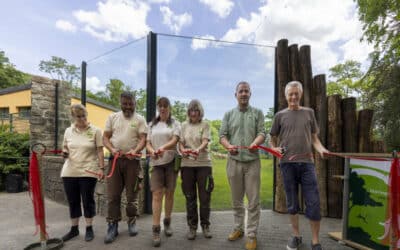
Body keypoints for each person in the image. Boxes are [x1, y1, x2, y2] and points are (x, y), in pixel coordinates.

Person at [269, 81, 329, 250]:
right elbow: (272, 137)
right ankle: (296, 236)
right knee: (292, 203)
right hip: (287, 164)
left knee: (314, 202)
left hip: (307, 165)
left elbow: (315, 139)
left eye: (297, 93)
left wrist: (322, 150)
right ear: (286, 95)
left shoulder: (309, 113)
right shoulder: (279, 116)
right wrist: (274, 148)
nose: (294, 97)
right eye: (291, 94)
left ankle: (316, 241)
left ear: (300, 94)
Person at [219, 81, 266, 250]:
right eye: (241, 91)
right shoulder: (228, 114)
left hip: (253, 162)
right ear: (236, 94)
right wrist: (228, 146)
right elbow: (222, 136)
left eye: (246, 91)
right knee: (236, 200)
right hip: (233, 163)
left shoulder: (258, 113)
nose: (244, 94)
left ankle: (251, 235)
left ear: (250, 94)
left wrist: (255, 142)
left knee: (253, 201)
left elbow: (262, 132)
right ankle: (238, 228)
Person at [103, 91, 148, 244]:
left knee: (132, 196)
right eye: (125, 104)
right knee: (113, 196)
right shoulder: (112, 117)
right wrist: (111, 149)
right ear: (120, 103)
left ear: (135, 103)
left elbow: (143, 139)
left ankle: (132, 221)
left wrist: (135, 151)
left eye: (130, 104)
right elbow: (105, 138)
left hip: (132, 162)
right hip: (115, 160)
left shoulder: (140, 119)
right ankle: (112, 225)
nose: (128, 106)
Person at [60, 104, 105, 242]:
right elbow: (65, 147)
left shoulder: (96, 130)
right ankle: (74, 229)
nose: (82, 119)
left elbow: (99, 150)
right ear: (73, 117)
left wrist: (102, 168)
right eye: (78, 117)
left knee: (87, 200)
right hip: (70, 171)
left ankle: (89, 228)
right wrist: (65, 152)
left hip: (88, 170)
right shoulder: (68, 131)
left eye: (84, 115)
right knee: (73, 201)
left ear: (87, 114)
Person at [146, 97, 180, 247]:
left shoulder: (175, 123)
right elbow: (147, 143)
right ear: (158, 108)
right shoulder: (151, 125)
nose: (163, 108)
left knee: (170, 193)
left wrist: (162, 148)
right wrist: (153, 151)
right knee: (157, 194)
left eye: (165, 106)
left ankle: (167, 221)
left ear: (169, 108)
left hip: (171, 162)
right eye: (160, 106)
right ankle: (155, 229)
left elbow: (175, 140)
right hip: (156, 164)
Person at [179, 99, 213, 240]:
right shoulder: (183, 125)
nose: (193, 113)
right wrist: (183, 151)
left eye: (196, 110)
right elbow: (180, 143)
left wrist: (197, 149)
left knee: (205, 197)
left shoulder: (205, 125)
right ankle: (192, 227)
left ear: (200, 112)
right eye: (191, 110)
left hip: (203, 165)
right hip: (187, 166)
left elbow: (205, 141)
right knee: (190, 197)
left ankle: (205, 226)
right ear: (188, 112)